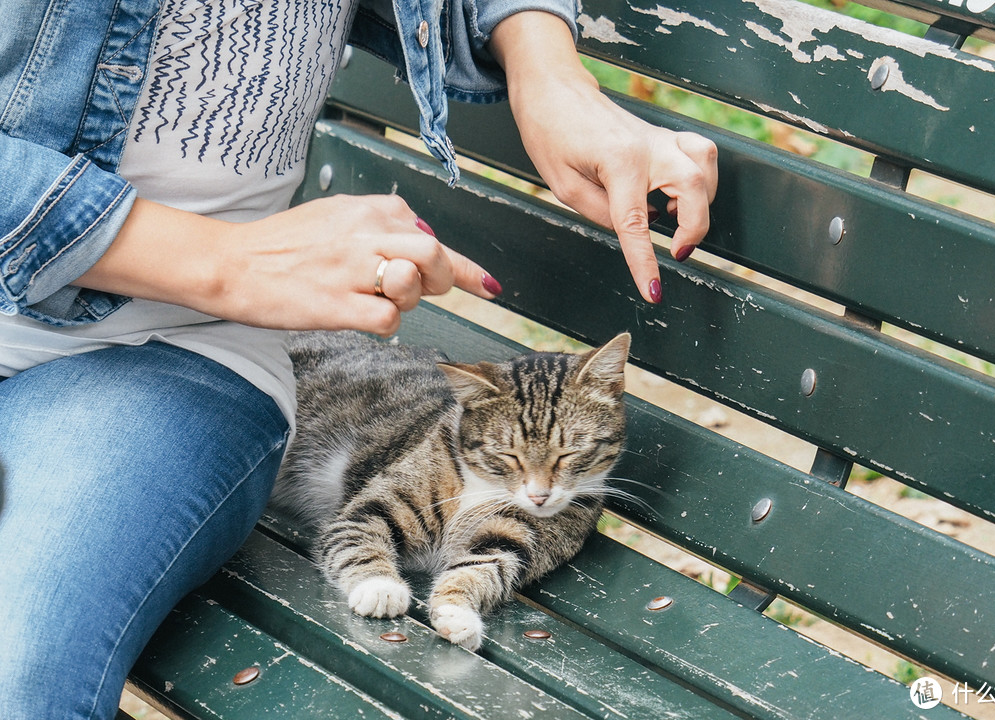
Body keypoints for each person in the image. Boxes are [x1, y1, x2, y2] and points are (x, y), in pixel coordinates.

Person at [0, 0, 718, 717]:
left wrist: (548, 70)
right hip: (219, 292)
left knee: (18, 679)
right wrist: (226, 260)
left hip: (166, 354)